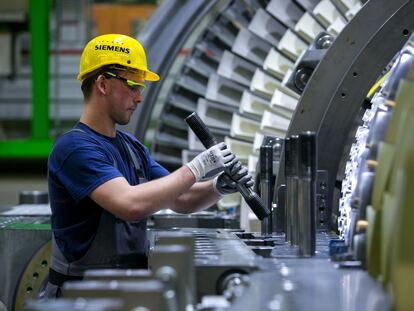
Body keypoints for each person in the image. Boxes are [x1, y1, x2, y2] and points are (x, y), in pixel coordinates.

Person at [42, 34, 253, 298]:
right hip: (81, 297)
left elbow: (182, 199)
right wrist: (198, 166)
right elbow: (130, 205)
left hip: (128, 294)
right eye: (133, 85)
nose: (139, 97)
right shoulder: (74, 148)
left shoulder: (131, 148)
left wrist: (218, 186)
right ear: (103, 84)